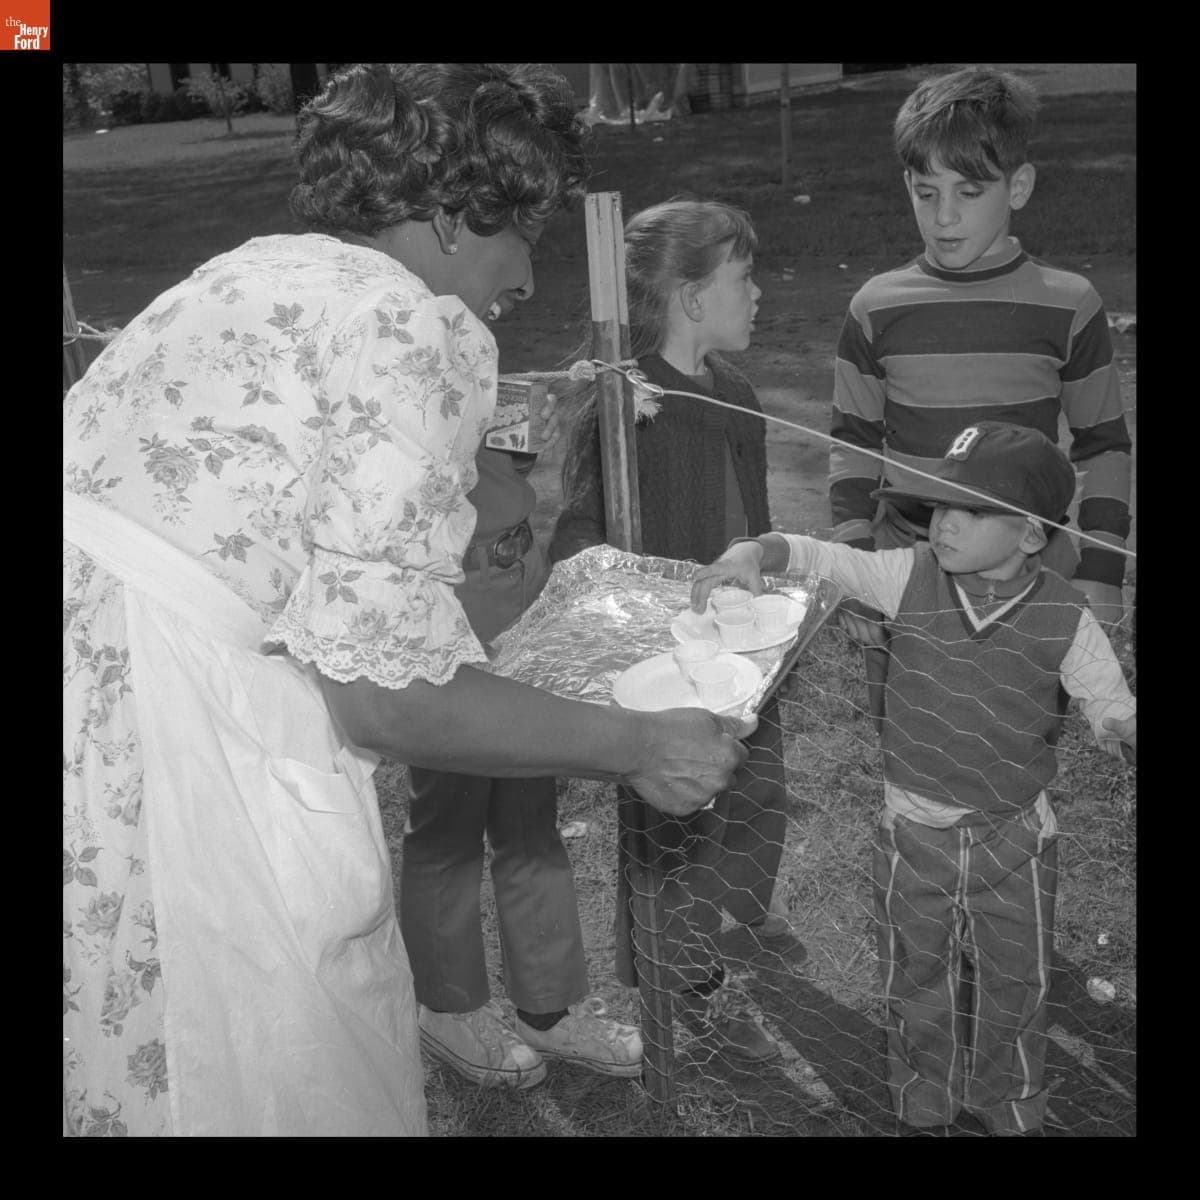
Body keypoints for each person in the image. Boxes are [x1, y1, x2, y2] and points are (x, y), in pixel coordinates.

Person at [62, 63, 754, 1138]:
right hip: (168, 724)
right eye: (522, 230)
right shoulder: (411, 324)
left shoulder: (250, 272)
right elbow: (387, 701)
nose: (527, 272)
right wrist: (636, 742)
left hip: (89, 683)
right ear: (443, 216)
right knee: (255, 1056)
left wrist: (478, 483)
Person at [692, 421, 1136, 1136]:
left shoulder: (1065, 617)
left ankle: (1008, 1105)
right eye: (937, 506)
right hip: (912, 835)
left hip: (1014, 840)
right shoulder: (910, 575)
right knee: (916, 979)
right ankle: (922, 1101)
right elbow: (821, 556)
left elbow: (1112, 707)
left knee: (1016, 986)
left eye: (968, 510)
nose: (943, 523)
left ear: (1029, 536)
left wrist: (1123, 727)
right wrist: (756, 549)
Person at [550, 199, 796, 1065]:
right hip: (665, 658)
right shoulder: (628, 396)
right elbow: (581, 532)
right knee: (675, 818)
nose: (759, 294)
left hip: (742, 643)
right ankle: (676, 971)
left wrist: (766, 591)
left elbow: (755, 521)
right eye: (743, 278)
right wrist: (632, 623)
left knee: (752, 787)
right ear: (691, 298)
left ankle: (713, 930)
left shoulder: (738, 393)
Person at [828, 65, 1132, 731]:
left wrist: (1104, 569)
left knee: (1014, 758)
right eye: (925, 190)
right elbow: (851, 443)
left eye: (969, 191)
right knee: (915, 757)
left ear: (1017, 186)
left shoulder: (1069, 304)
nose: (943, 217)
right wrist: (856, 564)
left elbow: (1105, 445)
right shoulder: (876, 307)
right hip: (908, 574)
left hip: (1029, 576)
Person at [402, 436, 642, 1089]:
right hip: (443, 607)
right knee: (449, 825)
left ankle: (547, 1008)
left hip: (517, 590)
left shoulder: (479, 345)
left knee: (530, 815)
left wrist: (518, 444)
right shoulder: (397, 347)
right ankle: (447, 1010)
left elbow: (497, 471)